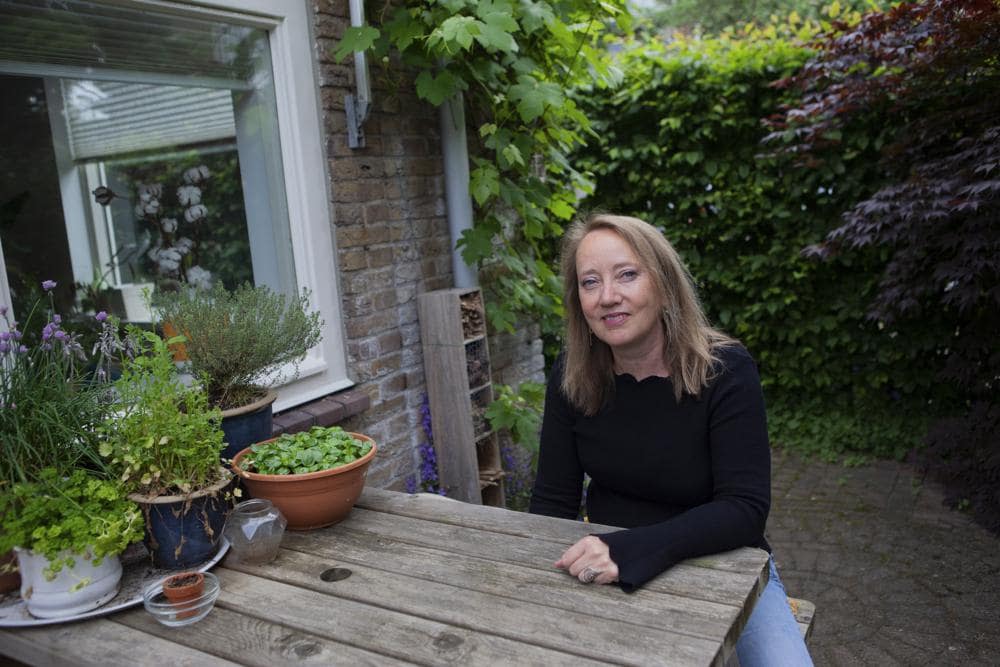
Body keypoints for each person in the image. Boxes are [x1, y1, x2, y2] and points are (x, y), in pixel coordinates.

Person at [529, 213, 813, 666]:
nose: (608, 297)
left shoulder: (725, 370)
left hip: (728, 563)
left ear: (663, 284)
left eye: (627, 275)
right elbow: (551, 503)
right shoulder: (573, 374)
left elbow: (744, 509)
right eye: (589, 282)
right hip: (608, 563)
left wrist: (632, 549)